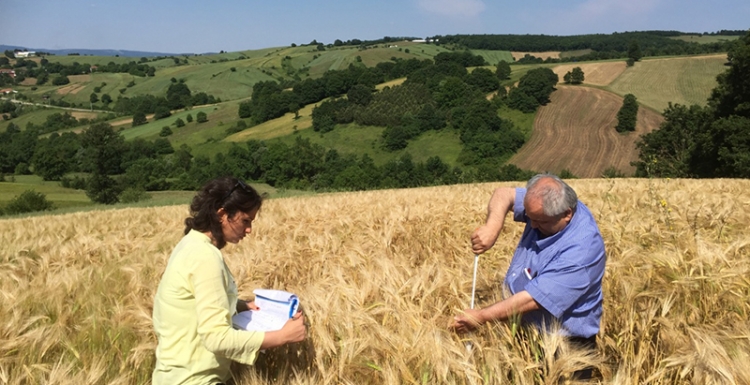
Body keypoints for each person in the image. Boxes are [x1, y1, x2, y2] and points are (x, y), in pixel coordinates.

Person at [152, 176, 306, 385]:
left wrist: (244, 306)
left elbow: (196, 303)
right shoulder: (205, 257)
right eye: (245, 220)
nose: (249, 229)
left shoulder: (190, 244)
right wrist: (283, 336)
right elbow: (216, 338)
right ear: (222, 214)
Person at [451, 173, 606, 354]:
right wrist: (492, 227)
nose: (531, 225)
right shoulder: (546, 205)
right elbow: (504, 194)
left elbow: (532, 300)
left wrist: (481, 316)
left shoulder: (582, 251)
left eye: (540, 221)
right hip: (525, 329)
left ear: (567, 214)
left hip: (565, 343)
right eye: (530, 216)